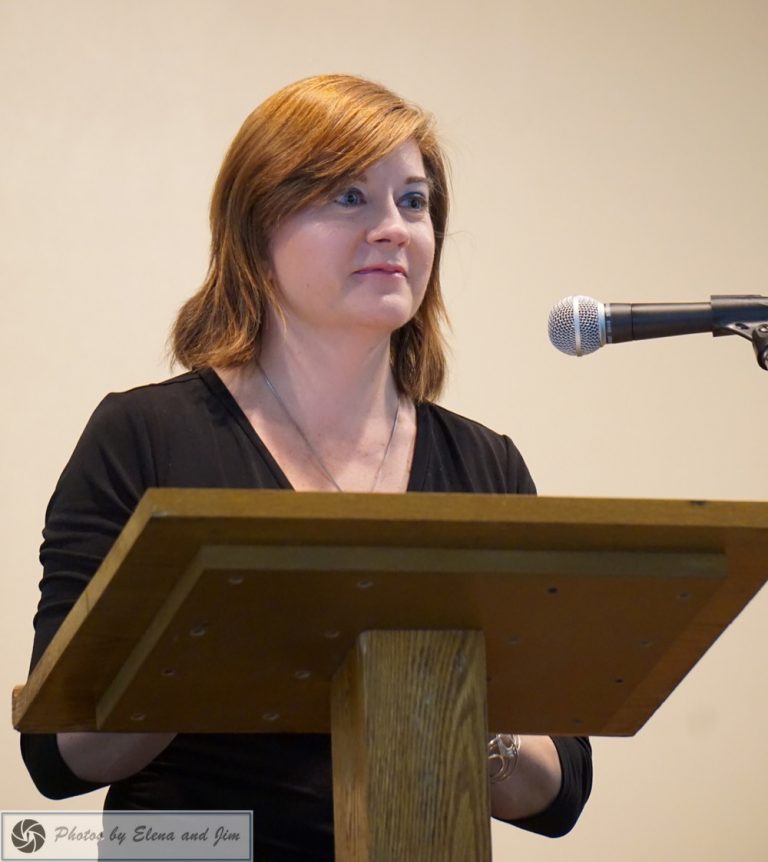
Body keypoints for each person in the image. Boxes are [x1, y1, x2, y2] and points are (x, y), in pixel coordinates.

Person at [21, 74, 592, 859]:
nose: (393, 229)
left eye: (414, 202)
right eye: (349, 198)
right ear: (258, 230)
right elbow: (56, 755)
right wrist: (201, 648)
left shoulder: (484, 464)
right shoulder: (143, 436)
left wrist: (461, 718)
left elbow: (561, 792)